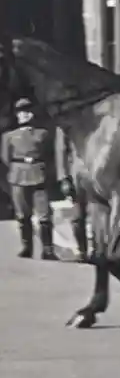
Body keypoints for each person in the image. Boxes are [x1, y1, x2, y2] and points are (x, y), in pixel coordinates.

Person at [1, 97, 55, 260]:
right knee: (22, 215)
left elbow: (50, 156)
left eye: (27, 112)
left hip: (39, 174)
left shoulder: (43, 134)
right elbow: (5, 159)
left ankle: (48, 250)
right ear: (17, 116)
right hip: (18, 176)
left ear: (32, 114)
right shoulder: (8, 136)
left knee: (44, 215)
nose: (24, 115)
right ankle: (27, 247)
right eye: (21, 112)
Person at [54, 125, 89, 262]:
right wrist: (63, 178)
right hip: (77, 175)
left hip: (100, 174)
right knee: (78, 216)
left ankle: (100, 251)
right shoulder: (66, 123)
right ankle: (82, 251)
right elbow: (61, 150)